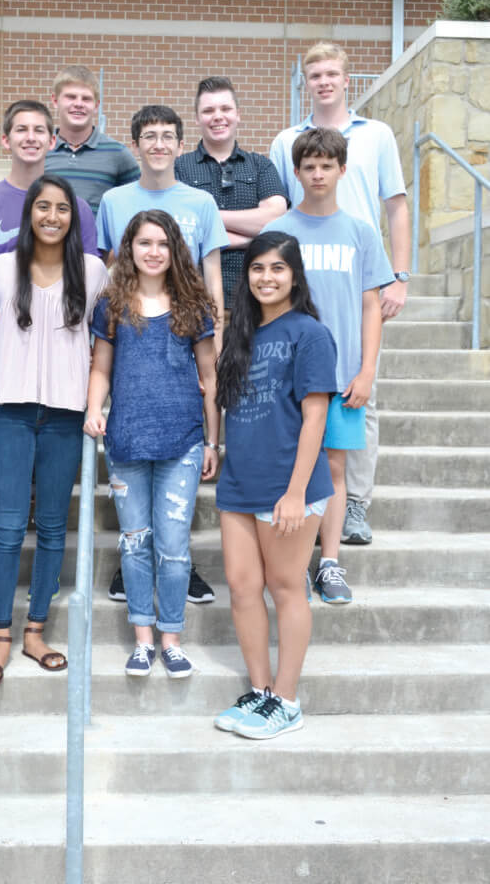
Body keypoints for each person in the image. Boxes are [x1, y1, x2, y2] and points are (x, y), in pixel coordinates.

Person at [269, 41, 409, 545]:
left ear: (347, 78)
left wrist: (400, 275)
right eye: (315, 74)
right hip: (307, 284)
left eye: (332, 73)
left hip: (359, 278)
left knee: (358, 398)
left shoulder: (376, 135)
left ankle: (354, 505)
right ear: (305, 81)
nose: (324, 81)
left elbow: (395, 205)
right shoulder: (287, 140)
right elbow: (281, 209)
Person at [0, 174, 108, 687]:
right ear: (30, 213)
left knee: (53, 526)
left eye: (63, 209)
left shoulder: (93, 272)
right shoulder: (3, 268)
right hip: (8, 410)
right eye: (43, 207)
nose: (53, 217)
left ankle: (35, 631)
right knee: (8, 527)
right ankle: (1, 636)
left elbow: (103, 345)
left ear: (75, 218)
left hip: (66, 414)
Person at [0, 100, 98, 601]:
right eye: (20, 128)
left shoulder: (83, 226)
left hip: (61, 392)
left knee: (51, 506)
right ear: (6, 138)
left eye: (40, 129)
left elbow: (88, 304)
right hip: (3, 371)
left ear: (53, 138)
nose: (30, 136)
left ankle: (39, 608)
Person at [96, 104, 228, 604]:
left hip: (184, 332)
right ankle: (131, 566)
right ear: (135, 145)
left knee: (180, 452)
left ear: (179, 143)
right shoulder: (114, 200)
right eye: (148, 136)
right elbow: (111, 269)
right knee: (134, 449)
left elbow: (211, 269)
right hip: (132, 335)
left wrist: (217, 327)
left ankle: (180, 565)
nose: (158, 144)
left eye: (167, 136)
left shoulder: (200, 201)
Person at [85, 210, 220, 679]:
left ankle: (172, 638)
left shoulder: (193, 305)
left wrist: (212, 442)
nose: (154, 251)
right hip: (126, 441)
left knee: (174, 546)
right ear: (129, 249)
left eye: (163, 243)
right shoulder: (111, 306)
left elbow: (209, 376)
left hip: (182, 442)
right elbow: (101, 368)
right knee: (135, 543)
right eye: (144, 242)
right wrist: (92, 409)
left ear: (174, 249)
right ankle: (142, 640)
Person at [214, 231, 336, 739]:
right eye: (258, 268)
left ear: (294, 276)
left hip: (291, 486)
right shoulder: (241, 335)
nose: (267, 277)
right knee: (243, 590)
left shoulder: (308, 334)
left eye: (277, 269)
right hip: (240, 482)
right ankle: (261, 691)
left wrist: (295, 492)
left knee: (287, 589)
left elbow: (315, 419)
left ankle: (287, 699)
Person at [267, 128, 394, 603]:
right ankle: (294, 563)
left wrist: (366, 372)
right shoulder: (281, 232)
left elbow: (369, 306)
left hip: (342, 377)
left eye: (326, 166)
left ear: (342, 170)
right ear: (296, 173)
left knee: (335, 468)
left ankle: (331, 563)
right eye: (308, 166)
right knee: (289, 468)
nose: (317, 174)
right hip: (287, 376)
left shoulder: (361, 232)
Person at [175, 76, 288, 308]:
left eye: (225, 108)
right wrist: (249, 237)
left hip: (253, 302)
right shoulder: (179, 168)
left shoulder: (260, 166)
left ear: (238, 114)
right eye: (208, 110)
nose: (218, 116)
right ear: (197, 118)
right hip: (193, 300)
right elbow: (180, 228)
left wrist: (208, 219)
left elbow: (276, 220)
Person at [45, 64, 139, 216]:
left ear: (96, 106)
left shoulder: (118, 154)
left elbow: (136, 206)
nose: (78, 104)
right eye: (71, 97)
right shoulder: (40, 151)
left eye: (86, 99)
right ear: (55, 101)